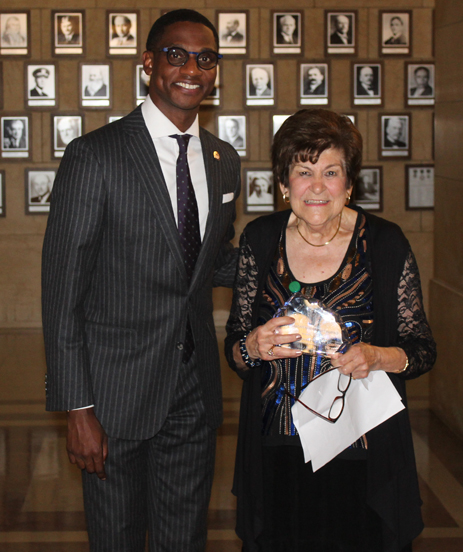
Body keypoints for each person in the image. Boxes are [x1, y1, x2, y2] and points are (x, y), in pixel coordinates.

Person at [42, 9, 240, 552]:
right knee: (117, 540)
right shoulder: (95, 156)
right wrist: (77, 409)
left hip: (194, 392)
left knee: (185, 539)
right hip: (113, 397)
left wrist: (296, 259)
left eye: (206, 58)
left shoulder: (224, 161)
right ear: (148, 63)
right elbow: (62, 296)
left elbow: (209, 263)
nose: (192, 69)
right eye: (177, 55)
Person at [225, 108, 436, 552]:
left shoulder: (384, 242)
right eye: (303, 172)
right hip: (277, 449)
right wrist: (254, 346)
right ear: (284, 184)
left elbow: (421, 350)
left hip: (362, 449)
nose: (317, 186)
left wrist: (377, 356)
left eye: (331, 172)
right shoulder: (259, 240)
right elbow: (234, 351)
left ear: (350, 183)